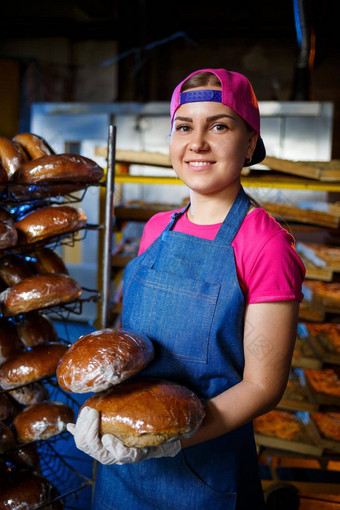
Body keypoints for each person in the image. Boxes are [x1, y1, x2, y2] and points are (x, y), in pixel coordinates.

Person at [68, 68, 305, 509]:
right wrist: (103, 412)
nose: (197, 143)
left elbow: (263, 385)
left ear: (250, 142)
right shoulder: (157, 228)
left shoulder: (266, 244)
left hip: (205, 474)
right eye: (184, 126)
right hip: (123, 468)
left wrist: (172, 442)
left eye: (219, 125)